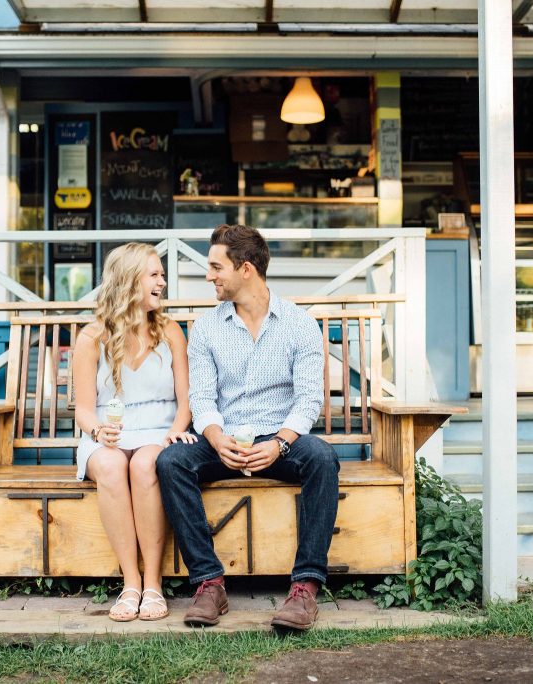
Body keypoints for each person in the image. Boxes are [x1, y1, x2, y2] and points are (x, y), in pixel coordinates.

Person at [156, 224, 340, 632]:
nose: (209, 276)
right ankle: (208, 583)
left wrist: (280, 442)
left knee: (323, 458)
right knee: (171, 462)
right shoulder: (206, 328)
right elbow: (201, 398)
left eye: (216, 267)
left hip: (280, 444)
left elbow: (309, 399)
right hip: (226, 441)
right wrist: (216, 438)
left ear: (246, 269)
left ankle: (306, 587)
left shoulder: (298, 323)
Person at [72, 242, 197, 622]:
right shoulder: (92, 336)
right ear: (128, 281)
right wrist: (97, 432)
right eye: (154, 275)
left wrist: (176, 431)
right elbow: (83, 409)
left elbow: (187, 399)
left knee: (145, 466)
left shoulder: (171, 331)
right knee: (110, 465)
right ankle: (131, 582)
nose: (162, 282)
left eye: (161, 275)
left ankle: (154, 583)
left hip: (159, 432)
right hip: (109, 434)